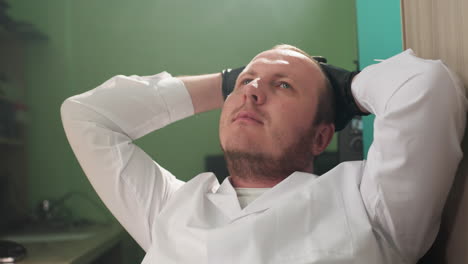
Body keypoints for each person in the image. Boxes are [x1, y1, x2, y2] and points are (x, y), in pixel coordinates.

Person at [61, 45, 467, 264]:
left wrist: (345, 88)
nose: (252, 90)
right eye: (246, 81)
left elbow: (427, 86)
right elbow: (85, 115)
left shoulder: (369, 206)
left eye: (284, 86)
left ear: (320, 136)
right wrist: (225, 82)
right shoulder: (169, 208)